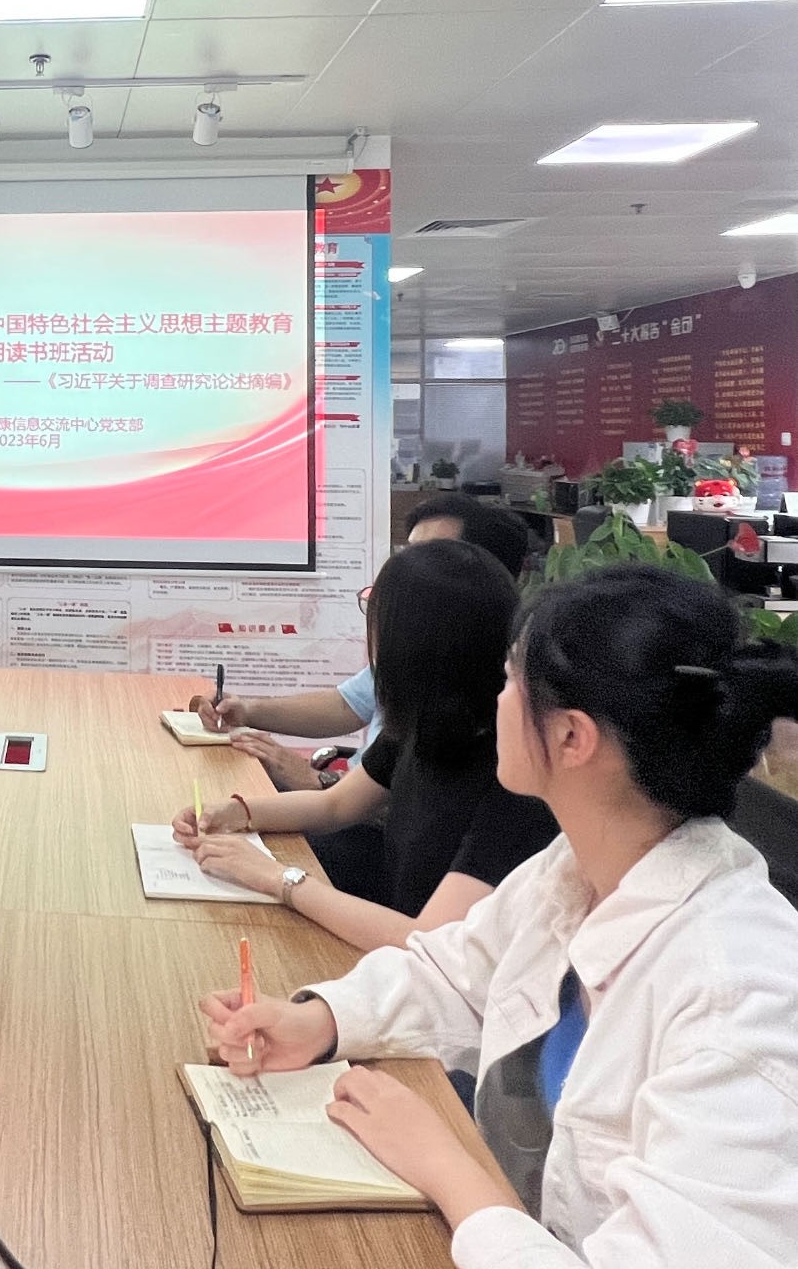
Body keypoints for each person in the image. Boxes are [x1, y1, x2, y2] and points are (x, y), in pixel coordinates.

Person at [200, 565, 798, 1268]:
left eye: (512, 678)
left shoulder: (740, 1000)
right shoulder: (573, 870)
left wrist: (447, 1169)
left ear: (572, 738)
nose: (498, 696)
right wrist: (320, 1020)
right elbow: (455, 976)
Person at [174, 539, 556, 951]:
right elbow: (335, 805)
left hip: (420, 965)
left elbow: (428, 941)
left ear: (409, 644)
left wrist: (276, 877)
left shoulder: (517, 778)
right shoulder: (423, 724)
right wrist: (238, 812)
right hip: (382, 940)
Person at [193, 496, 533, 791]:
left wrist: (317, 780)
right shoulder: (412, 649)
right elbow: (347, 706)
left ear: (483, 573)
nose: (404, 570)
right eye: (407, 553)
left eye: (430, 556)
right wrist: (247, 710)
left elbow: (394, 807)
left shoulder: (488, 695)